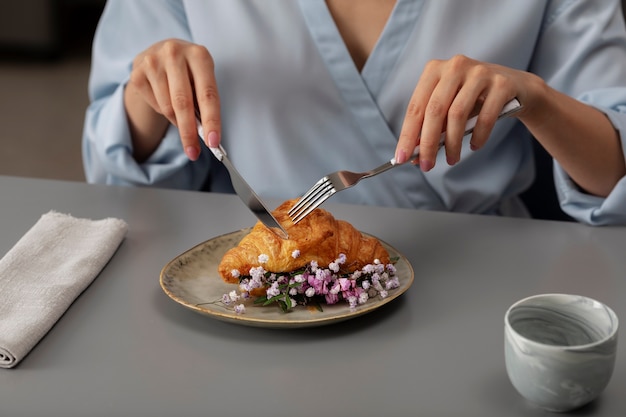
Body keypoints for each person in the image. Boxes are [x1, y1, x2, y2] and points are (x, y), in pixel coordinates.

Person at [83, 0, 626, 226]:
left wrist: (537, 99)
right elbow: (109, 178)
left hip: (480, 279)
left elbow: (616, 174)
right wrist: (146, 95)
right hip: (246, 293)